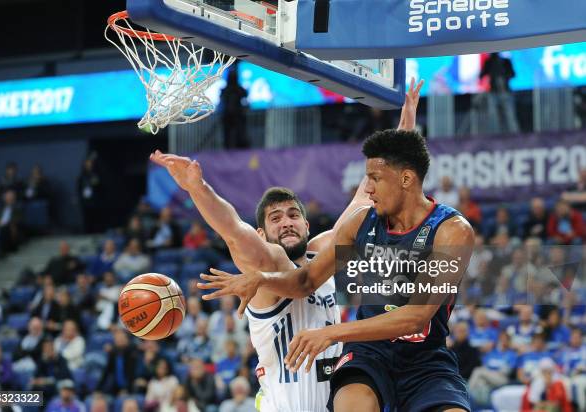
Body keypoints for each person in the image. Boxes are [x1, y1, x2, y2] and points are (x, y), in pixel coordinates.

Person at [153, 79, 424, 412]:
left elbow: (367, 195)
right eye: (275, 218)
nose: (286, 221)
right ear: (263, 233)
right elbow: (234, 231)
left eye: (293, 214)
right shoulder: (269, 263)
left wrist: (406, 122)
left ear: (307, 225)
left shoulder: (325, 250)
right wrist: (199, 188)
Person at [200, 127, 474, 411]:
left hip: (425, 361)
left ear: (405, 179)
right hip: (370, 356)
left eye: (375, 179)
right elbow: (306, 280)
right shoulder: (360, 223)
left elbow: (415, 317)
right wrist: (261, 279)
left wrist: (332, 333)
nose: (368, 188)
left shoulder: (452, 232)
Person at [479, 52, 520, 134]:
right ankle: (498, 137)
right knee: (495, 117)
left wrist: (503, 75)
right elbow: (481, 75)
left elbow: (513, 74)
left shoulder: (506, 61)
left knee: (510, 116)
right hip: (494, 93)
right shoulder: (489, 61)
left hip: (505, 92)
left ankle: (515, 136)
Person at [220, 66, 249, 149]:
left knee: (239, 133)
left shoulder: (238, 89)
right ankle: (229, 148)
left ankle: (240, 146)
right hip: (228, 115)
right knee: (228, 135)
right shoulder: (226, 89)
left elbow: (245, 98)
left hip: (237, 114)